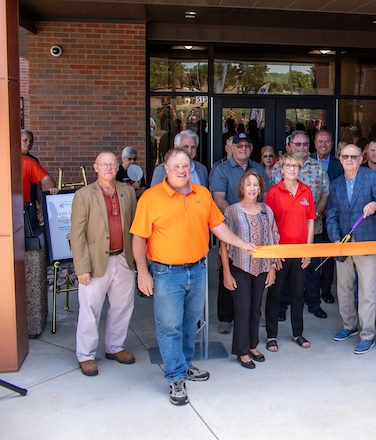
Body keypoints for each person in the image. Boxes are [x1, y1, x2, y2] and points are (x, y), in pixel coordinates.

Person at [130, 148, 256, 405]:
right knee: (170, 326)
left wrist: (240, 243)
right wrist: (142, 272)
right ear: (166, 169)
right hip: (166, 273)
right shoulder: (151, 198)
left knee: (190, 324)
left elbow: (217, 225)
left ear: (192, 168)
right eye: (175, 166)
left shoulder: (202, 194)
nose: (181, 170)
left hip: (198, 269)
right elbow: (139, 238)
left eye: (185, 165)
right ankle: (175, 376)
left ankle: (185, 364)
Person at [71, 151, 137, 377]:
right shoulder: (83, 195)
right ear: (95, 167)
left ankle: (115, 347)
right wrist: (81, 267)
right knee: (90, 310)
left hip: (123, 258)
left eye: (112, 164)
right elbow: (77, 235)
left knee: (122, 306)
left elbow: (135, 229)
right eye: (104, 164)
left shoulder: (128, 192)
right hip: (95, 261)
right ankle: (86, 355)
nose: (109, 168)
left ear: (118, 167)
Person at [327, 143, 376, 354]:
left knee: (367, 291)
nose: (350, 160)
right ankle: (349, 325)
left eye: (354, 157)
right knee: (344, 287)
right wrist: (335, 240)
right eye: (346, 157)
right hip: (343, 244)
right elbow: (332, 215)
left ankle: (367, 334)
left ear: (361, 158)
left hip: (366, 240)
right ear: (340, 159)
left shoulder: (371, 177)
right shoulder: (335, 184)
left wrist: (374, 206)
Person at [210, 132, 270, 334]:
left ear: (251, 148)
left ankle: (253, 314)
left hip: (255, 227)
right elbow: (218, 198)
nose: (243, 148)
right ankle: (226, 317)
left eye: (247, 145)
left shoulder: (258, 168)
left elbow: (265, 196)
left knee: (255, 273)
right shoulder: (222, 169)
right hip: (229, 226)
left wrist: (253, 219)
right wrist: (238, 217)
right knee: (228, 271)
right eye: (239, 145)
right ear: (232, 148)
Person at [221, 171, 279, 369]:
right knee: (243, 309)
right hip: (240, 267)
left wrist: (272, 267)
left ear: (261, 189)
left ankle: (253, 345)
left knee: (256, 308)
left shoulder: (266, 210)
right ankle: (242, 351)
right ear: (242, 188)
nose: (252, 188)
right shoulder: (232, 211)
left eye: (256, 185)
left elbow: (273, 239)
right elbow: (224, 245)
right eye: (249, 185)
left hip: (262, 268)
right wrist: (227, 273)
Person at [271, 130, 330, 320]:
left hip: (313, 229)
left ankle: (313, 304)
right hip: (284, 233)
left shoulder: (318, 167)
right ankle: (282, 306)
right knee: (285, 272)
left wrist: (316, 213)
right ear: (290, 146)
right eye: (298, 144)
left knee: (312, 270)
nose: (302, 147)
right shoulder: (278, 168)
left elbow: (325, 193)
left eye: (305, 144)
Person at [264, 154, 315, 353]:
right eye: (288, 165)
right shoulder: (274, 192)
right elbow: (268, 224)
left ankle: (297, 332)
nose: (292, 169)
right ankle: (271, 335)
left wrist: (308, 250)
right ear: (282, 169)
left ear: (299, 168)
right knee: (275, 294)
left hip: (300, 251)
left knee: (297, 293)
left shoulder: (306, 191)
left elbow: (310, 221)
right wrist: (274, 253)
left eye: (295, 166)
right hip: (280, 252)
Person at [311, 129, 343, 304]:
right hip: (312, 218)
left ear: (332, 144)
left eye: (327, 141)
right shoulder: (307, 164)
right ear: (315, 143)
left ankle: (326, 289)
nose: (324, 145)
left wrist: (328, 210)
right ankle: (312, 290)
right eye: (320, 141)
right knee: (314, 255)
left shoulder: (339, 165)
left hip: (332, 217)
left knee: (330, 256)